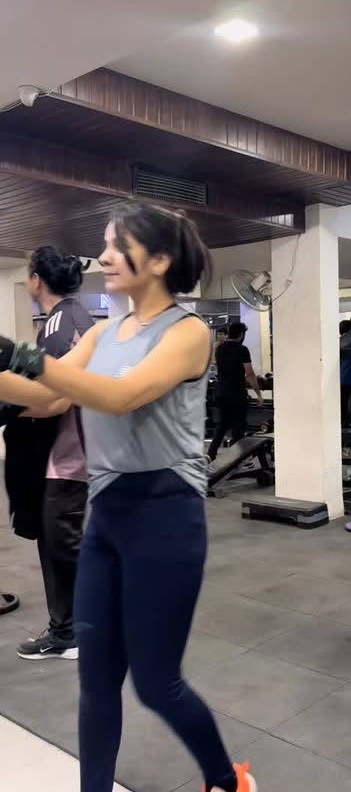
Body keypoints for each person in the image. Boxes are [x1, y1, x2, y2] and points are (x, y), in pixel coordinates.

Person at [0, 203, 256, 792]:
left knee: (155, 683)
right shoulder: (102, 332)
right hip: (107, 517)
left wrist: (21, 355)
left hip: (165, 518)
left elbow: (118, 397)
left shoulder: (188, 334)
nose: (104, 257)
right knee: (95, 681)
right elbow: (52, 397)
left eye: (118, 246)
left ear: (160, 260)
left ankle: (227, 779)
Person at [3, 247, 93, 660]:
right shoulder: (70, 319)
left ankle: (68, 634)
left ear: (37, 279)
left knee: (61, 547)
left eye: (27, 274)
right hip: (66, 455)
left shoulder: (61, 324)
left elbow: (56, 400)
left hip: (66, 457)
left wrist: (8, 410)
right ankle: (72, 628)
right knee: (60, 545)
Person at [207, 322, 263, 463]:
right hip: (237, 394)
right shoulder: (242, 349)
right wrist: (258, 393)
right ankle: (236, 459)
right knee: (239, 426)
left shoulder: (220, 349)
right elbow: (250, 374)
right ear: (241, 334)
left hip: (222, 393)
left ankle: (211, 454)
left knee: (222, 424)